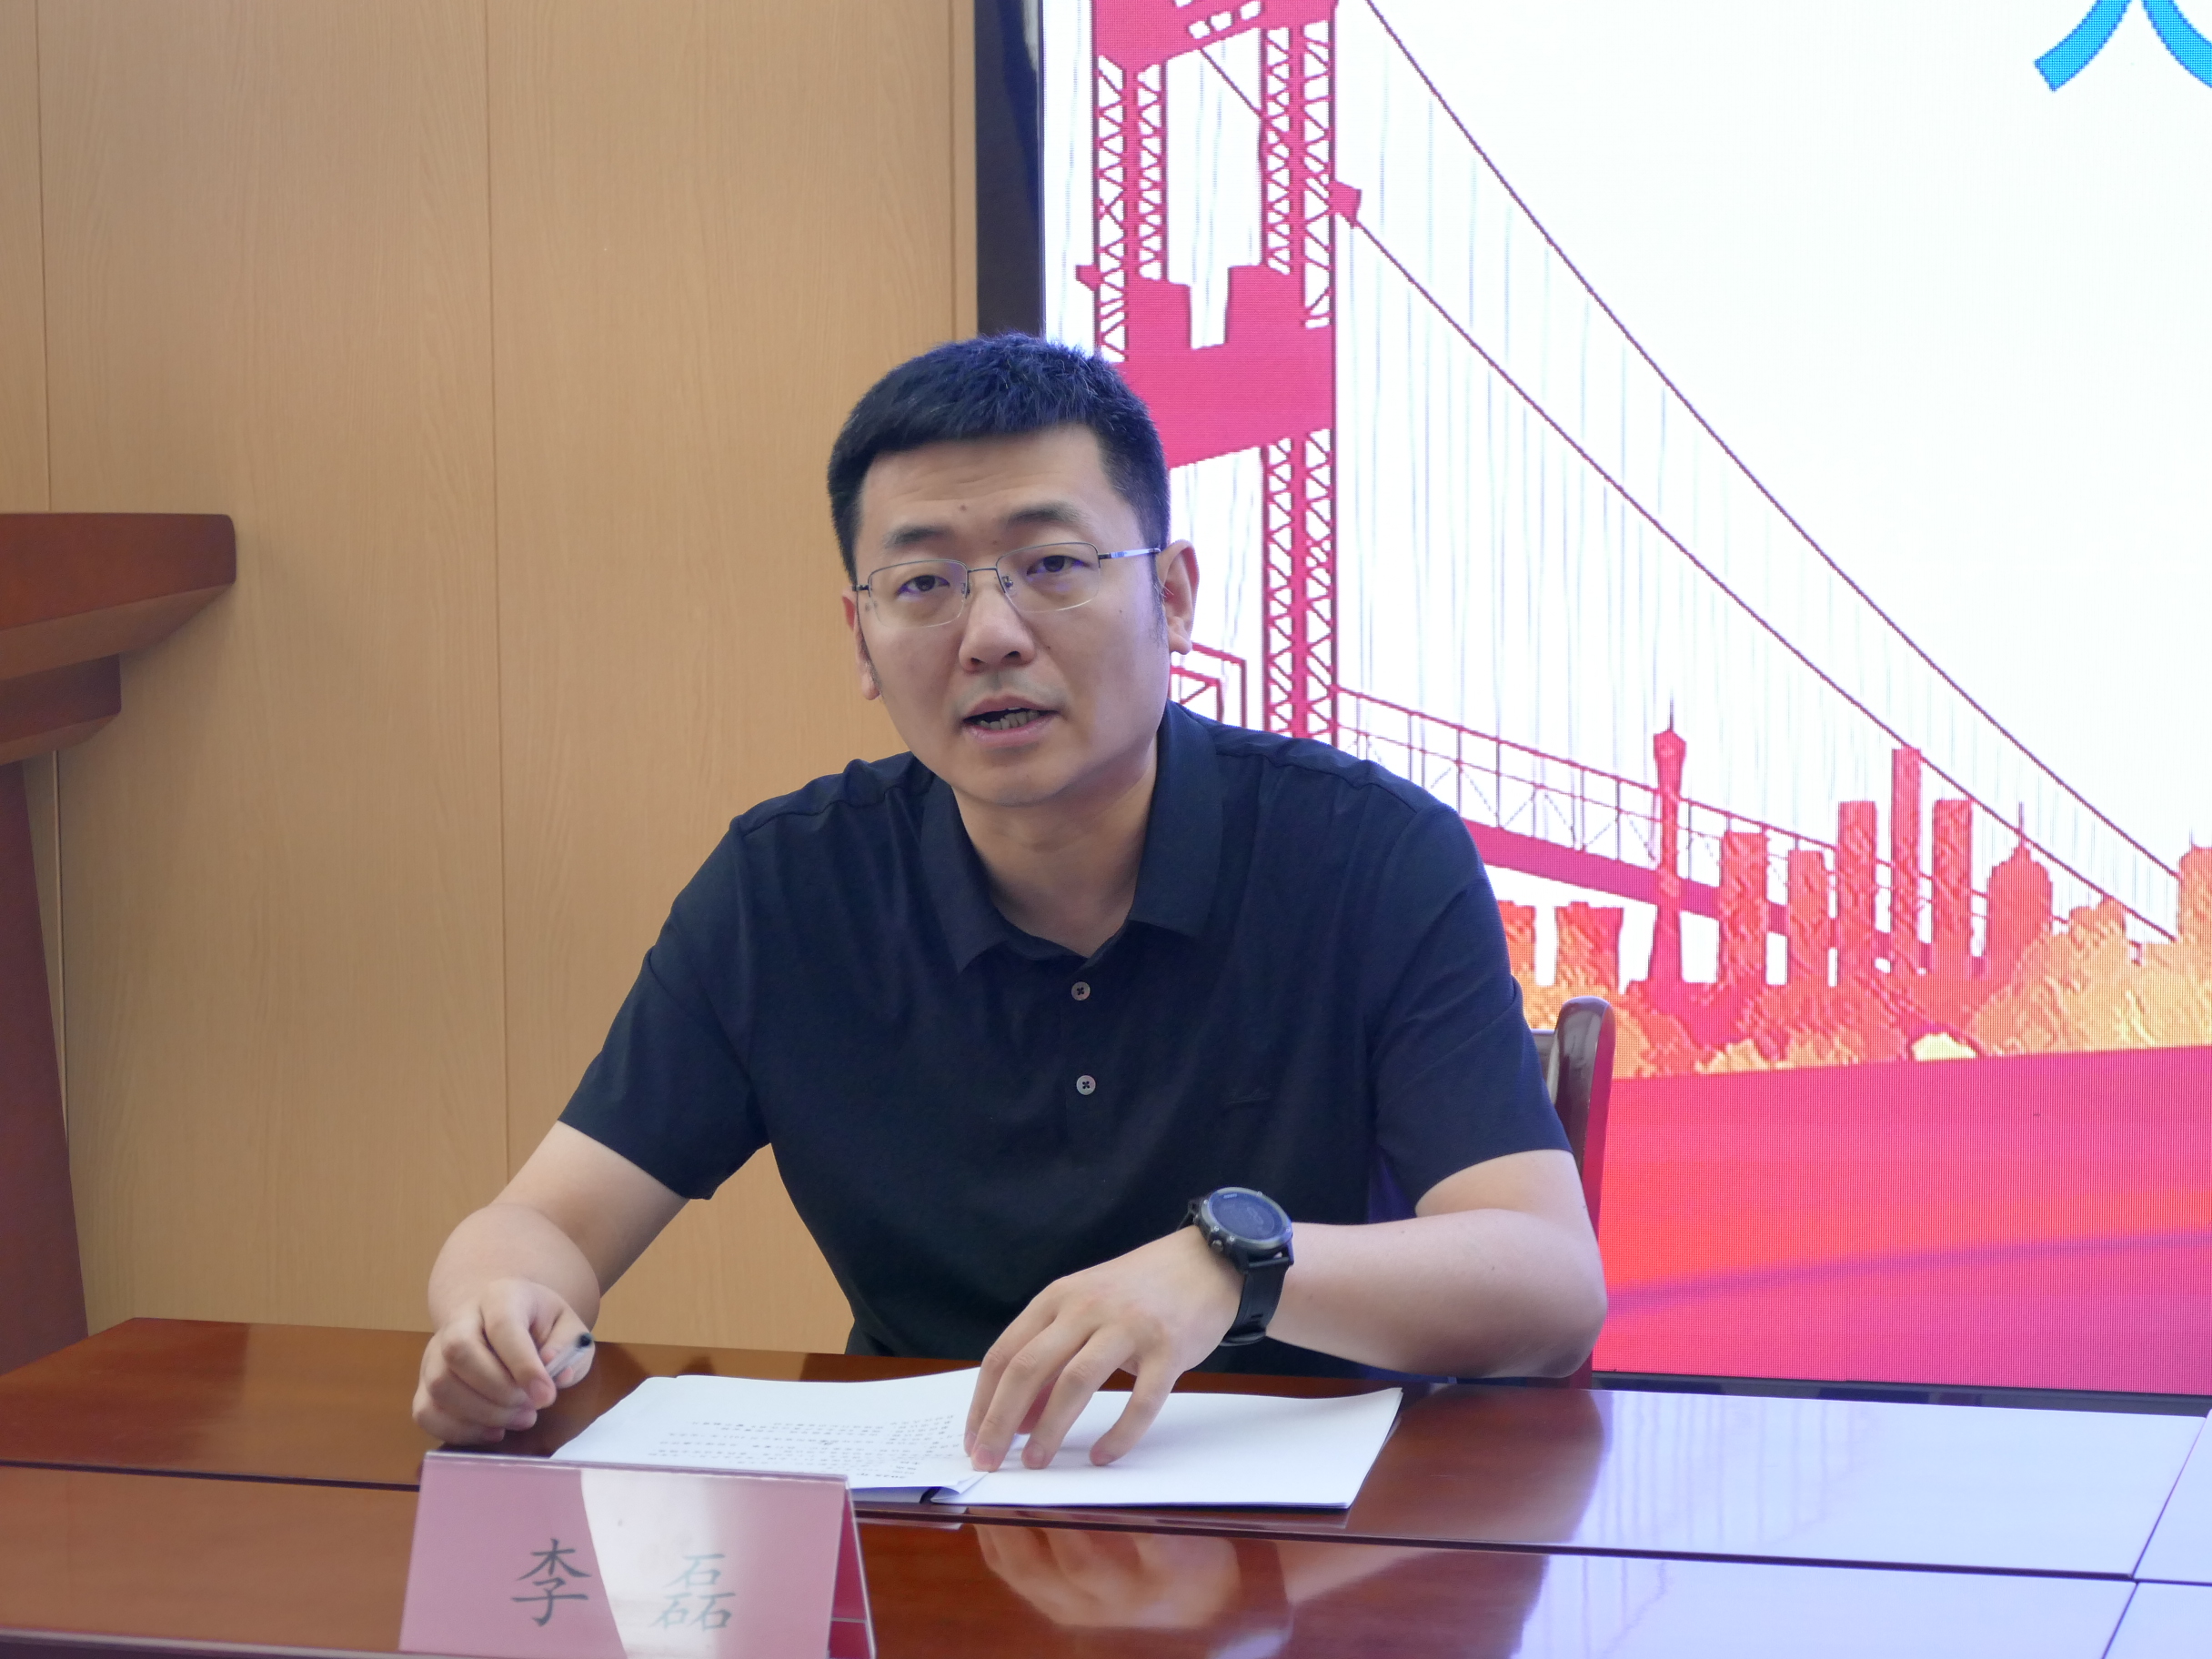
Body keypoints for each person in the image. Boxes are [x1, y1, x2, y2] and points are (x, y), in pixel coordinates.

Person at [412, 336, 1605, 1472]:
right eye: (923, 584)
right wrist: (496, 1314)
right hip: (925, 1529)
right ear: (862, 640)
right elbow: (541, 1228)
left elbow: (1550, 1287)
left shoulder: (1371, 855)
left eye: (1053, 568)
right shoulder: (787, 887)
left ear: (1174, 596)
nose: (989, 635)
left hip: (1322, 1536)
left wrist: (1237, 1269)